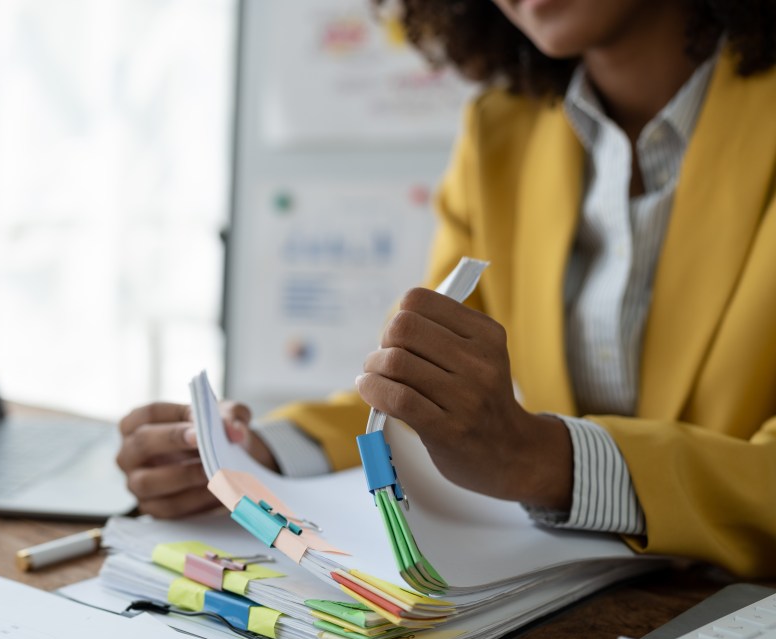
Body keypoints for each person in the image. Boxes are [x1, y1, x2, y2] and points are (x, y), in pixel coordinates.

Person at [116, 0, 776, 578]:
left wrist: (546, 461)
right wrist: (255, 453)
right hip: (573, 621)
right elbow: (424, 392)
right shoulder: (500, 135)